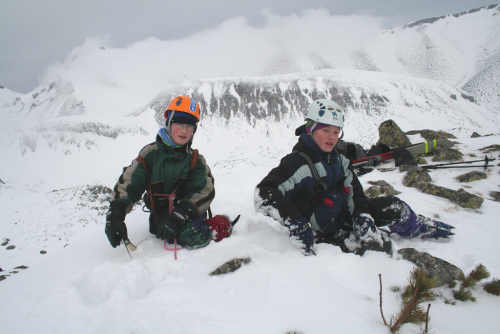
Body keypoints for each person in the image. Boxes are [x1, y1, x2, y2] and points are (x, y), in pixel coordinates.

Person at [254, 99, 454, 256]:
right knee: (377, 248)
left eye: (336, 131)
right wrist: (296, 222)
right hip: (323, 232)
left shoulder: (339, 159)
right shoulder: (298, 162)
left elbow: (355, 191)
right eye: (325, 130)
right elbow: (263, 193)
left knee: (396, 206)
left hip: (345, 216)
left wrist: (361, 215)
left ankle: (420, 226)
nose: (332, 137)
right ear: (310, 129)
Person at [105, 96, 232, 250]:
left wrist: (181, 214)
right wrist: (115, 215)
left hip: (188, 215)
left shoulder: (195, 160)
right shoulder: (150, 154)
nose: (184, 130)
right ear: (169, 123)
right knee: (161, 231)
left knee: (191, 235)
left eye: (190, 126)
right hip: (161, 216)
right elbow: (131, 181)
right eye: (179, 124)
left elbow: (205, 189)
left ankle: (219, 226)